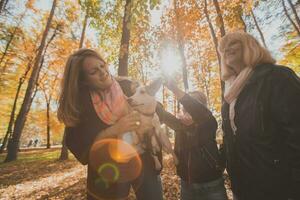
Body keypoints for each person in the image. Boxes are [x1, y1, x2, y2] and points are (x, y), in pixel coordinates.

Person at [57, 49, 163, 200]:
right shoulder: (80, 105)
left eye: (102, 65)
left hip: (145, 159)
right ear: (83, 80)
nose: (103, 72)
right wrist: (114, 130)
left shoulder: (126, 85)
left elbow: (155, 108)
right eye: (94, 71)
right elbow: (79, 148)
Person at [218, 31, 300, 200]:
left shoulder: (277, 77)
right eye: (223, 48)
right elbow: (230, 140)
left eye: (233, 43)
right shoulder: (228, 97)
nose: (226, 48)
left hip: (279, 189)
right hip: (243, 188)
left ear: (250, 46)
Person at [156, 79, 228, 200]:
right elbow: (159, 112)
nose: (188, 109)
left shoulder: (208, 122)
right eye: (185, 107)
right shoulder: (180, 125)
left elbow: (199, 112)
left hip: (212, 185)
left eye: (192, 105)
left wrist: (174, 88)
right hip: (187, 186)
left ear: (202, 107)